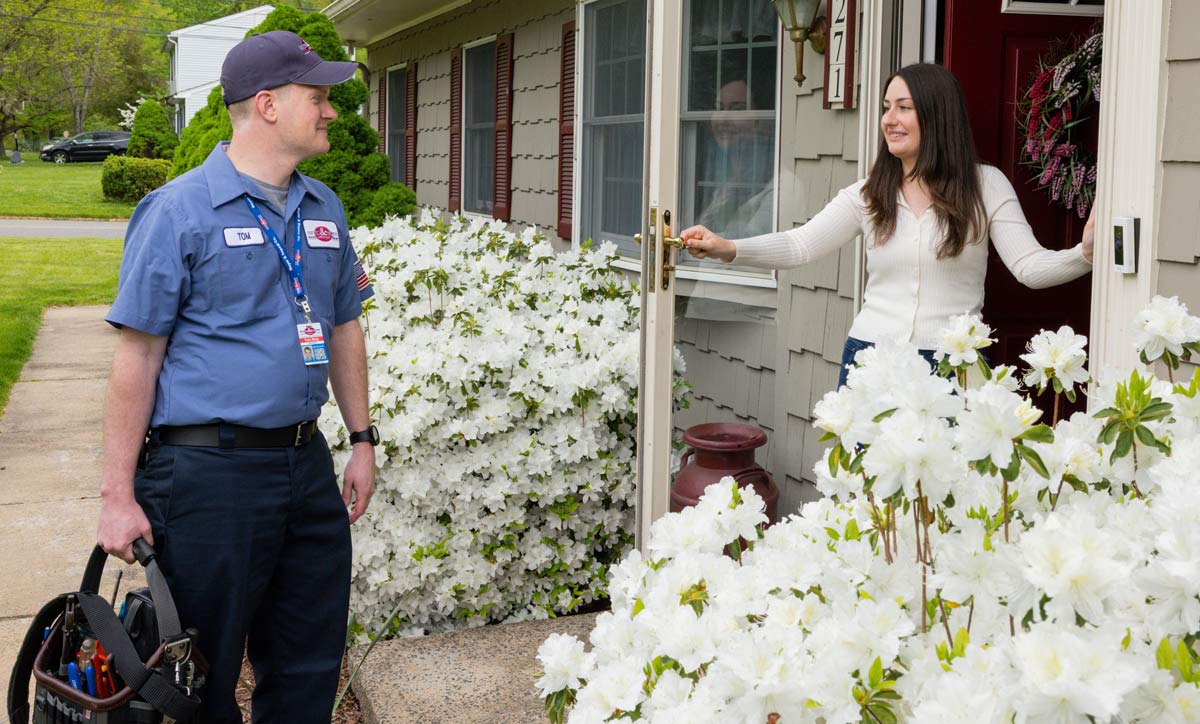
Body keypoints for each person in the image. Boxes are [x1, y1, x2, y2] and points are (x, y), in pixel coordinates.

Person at [96, 30, 378, 723]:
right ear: (268, 105)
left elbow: (343, 326)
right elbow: (136, 357)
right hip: (206, 477)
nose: (333, 113)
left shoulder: (325, 210)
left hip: (304, 467)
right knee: (197, 675)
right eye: (319, 98)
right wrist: (116, 495)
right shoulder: (178, 212)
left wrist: (363, 438)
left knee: (308, 660)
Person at [680, 62, 1096, 387]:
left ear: (937, 115)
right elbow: (800, 245)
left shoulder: (985, 185)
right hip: (872, 358)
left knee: (950, 495)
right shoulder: (870, 193)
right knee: (868, 493)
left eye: (903, 107)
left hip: (956, 365)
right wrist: (729, 248)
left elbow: (1029, 267)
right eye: (885, 107)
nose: (888, 119)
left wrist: (1084, 255)